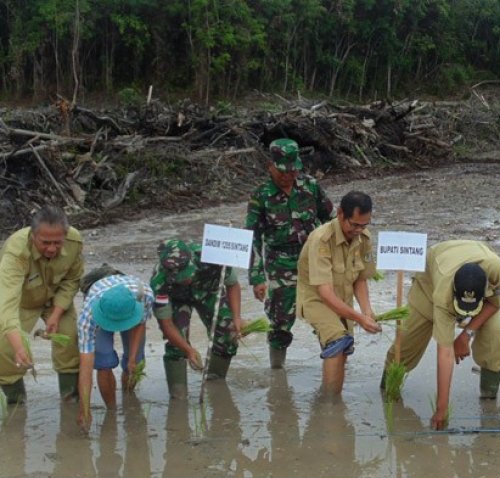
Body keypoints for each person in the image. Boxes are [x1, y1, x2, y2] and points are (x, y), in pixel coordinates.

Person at [382, 240, 500, 431]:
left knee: (494, 337)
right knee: (406, 345)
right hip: (429, 285)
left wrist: (466, 335)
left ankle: (489, 398)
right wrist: (441, 409)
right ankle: (387, 390)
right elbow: (445, 352)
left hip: (474, 273)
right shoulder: (443, 292)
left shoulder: (496, 270)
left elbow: (495, 302)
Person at [245, 138, 336, 369]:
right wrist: (257, 278)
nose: (289, 176)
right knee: (280, 320)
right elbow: (252, 238)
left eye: (293, 170)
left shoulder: (310, 186)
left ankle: (333, 361)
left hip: (313, 260)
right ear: (271, 167)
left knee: (325, 313)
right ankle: (277, 371)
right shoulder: (261, 195)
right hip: (280, 265)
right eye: (284, 172)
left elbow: (330, 220)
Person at [296, 191, 381, 394]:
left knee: (344, 350)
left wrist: (367, 310)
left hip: (342, 298)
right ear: (341, 214)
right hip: (316, 299)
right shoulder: (321, 240)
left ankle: (331, 399)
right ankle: (329, 407)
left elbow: (360, 279)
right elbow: (324, 293)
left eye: (364, 225)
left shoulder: (363, 237)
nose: (359, 230)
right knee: (337, 341)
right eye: (354, 224)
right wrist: (360, 319)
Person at [0, 205, 83, 404]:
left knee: (70, 338)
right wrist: (18, 345)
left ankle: (70, 399)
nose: (52, 249)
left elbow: (72, 280)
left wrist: (56, 313)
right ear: (33, 236)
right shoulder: (16, 251)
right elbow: (6, 304)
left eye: (57, 243)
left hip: (55, 299)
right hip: (22, 301)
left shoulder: (74, 241)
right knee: (5, 349)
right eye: (45, 243)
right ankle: (15, 403)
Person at [150, 239, 244, 398]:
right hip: (178, 300)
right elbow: (167, 325)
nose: (185, 279)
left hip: (208, 292)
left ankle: (215, 382)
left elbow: (233, 285)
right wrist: (189, 350)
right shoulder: (159, 282)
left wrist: (236, 317)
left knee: (227, 332)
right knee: (176, 346)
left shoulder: (211, 257)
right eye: (178, 278)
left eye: (186, 274)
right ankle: (178, 396)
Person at [76, 276, 154, 430]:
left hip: (130, 310)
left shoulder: (144, 295)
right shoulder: (87, 318)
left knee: (136, 362)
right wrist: (84, 409)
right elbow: (86, 368)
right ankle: (111, 410)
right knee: (104, 363)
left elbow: (140, 323)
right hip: (102, 314)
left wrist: (132, 358)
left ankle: (128, 396)